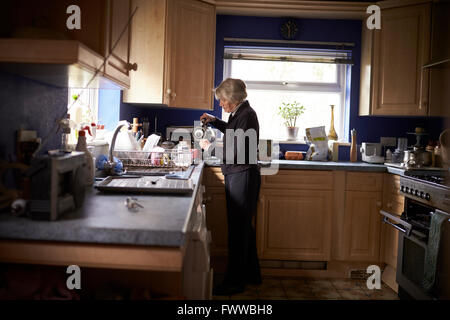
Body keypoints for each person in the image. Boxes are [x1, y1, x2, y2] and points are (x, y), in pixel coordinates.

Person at [200, 78, 262, 295]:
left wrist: (209, 148)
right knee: (244, 229)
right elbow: (233, 131)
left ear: (233, 99)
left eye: (222, 100)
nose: (220, 104)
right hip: (240, 175)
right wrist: (215, 121)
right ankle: (252, 275)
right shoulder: (241, 114)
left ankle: (234, 283)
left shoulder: (246, 115)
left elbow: (237, 152)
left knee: (238, 232)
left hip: (242, 177)